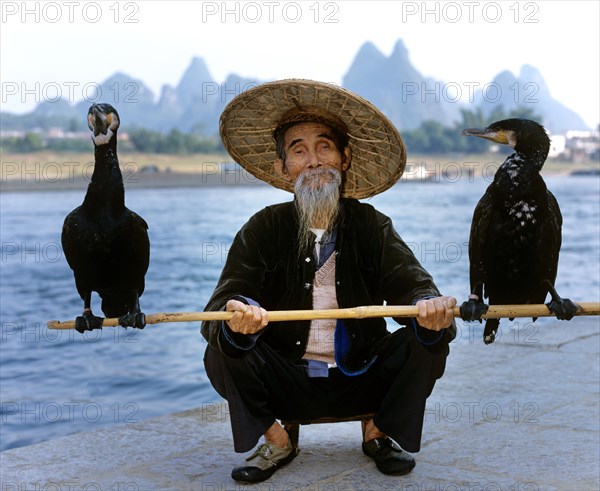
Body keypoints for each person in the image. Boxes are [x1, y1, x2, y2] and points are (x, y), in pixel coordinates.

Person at [201, 80, 457, 483]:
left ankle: (378, 431)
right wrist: (236, 318)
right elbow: (218, 307)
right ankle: (276, 438)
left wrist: (430, 307)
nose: (314, 160)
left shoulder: (372, 225)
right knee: (221, 348)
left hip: (362, 376)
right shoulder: (263, 228)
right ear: (282, 167)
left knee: (428, 338)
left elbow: (413, 283)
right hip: (287, 378)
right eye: (298, 150)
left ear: (344, 157)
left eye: (325, 147)